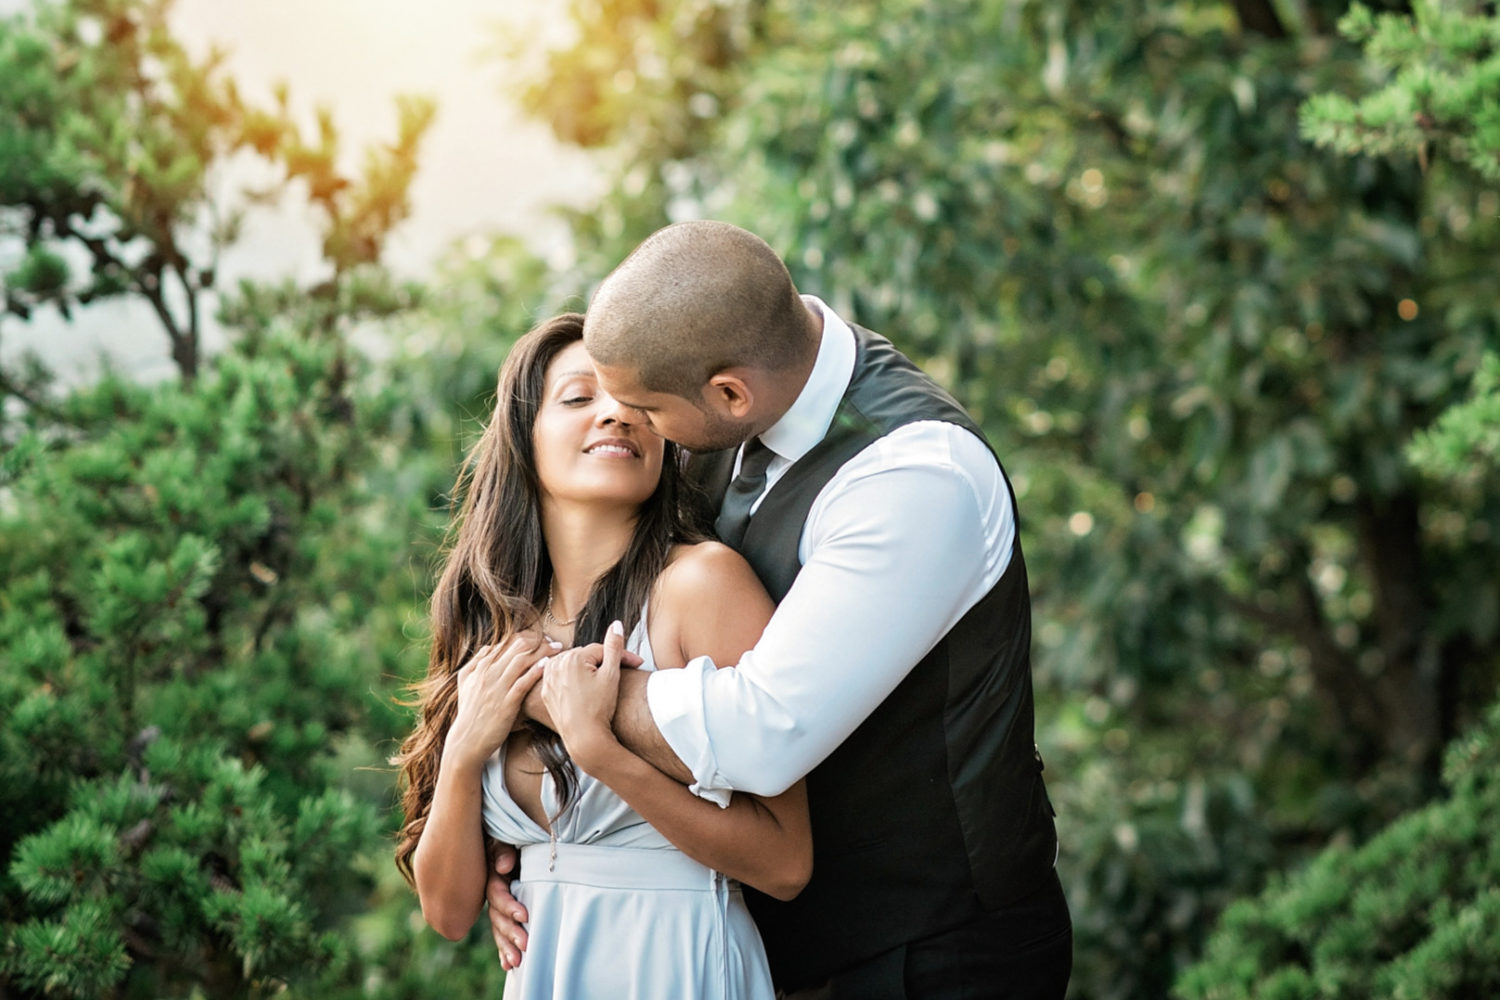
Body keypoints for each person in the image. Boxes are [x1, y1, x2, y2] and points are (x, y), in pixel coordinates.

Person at [491, 222, 1072, 999]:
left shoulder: (915, 476)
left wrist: (542, 688)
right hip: (764, 948)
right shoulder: (726, 388)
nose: (635, 426)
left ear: (730, 393)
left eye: (649, 411)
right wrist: (531, 841)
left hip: (932, 956)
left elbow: (758, 733)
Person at [393, 313, 810, 999]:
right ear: (524, 436)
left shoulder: (703, 585)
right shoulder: (493, 623)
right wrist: (465, 751)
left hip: (681, 963)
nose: (616, 415)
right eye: (580, 397)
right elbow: (447, 912)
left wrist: (602, 752)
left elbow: (787, 862)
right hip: (549, 969)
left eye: (638, 403)